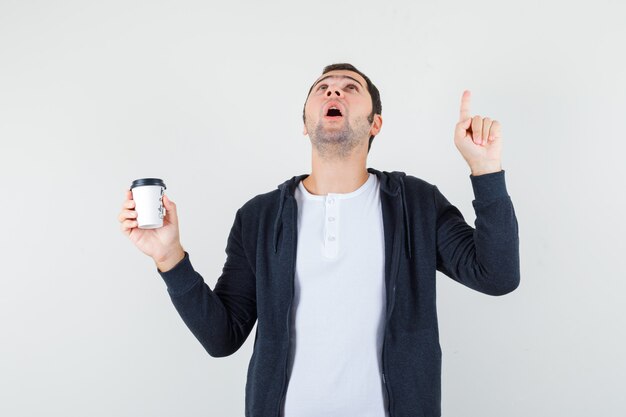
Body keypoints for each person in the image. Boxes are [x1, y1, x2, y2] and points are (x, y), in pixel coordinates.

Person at [118, 63, 520, 417]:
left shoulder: (417, 203)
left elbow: (497, 275)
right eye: (323, 88)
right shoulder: (258, 217)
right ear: (306, 122)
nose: (334, 91)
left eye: (350, 88)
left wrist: (486, 172)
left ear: (375, 123)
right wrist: (170, 257)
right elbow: (222, 338)